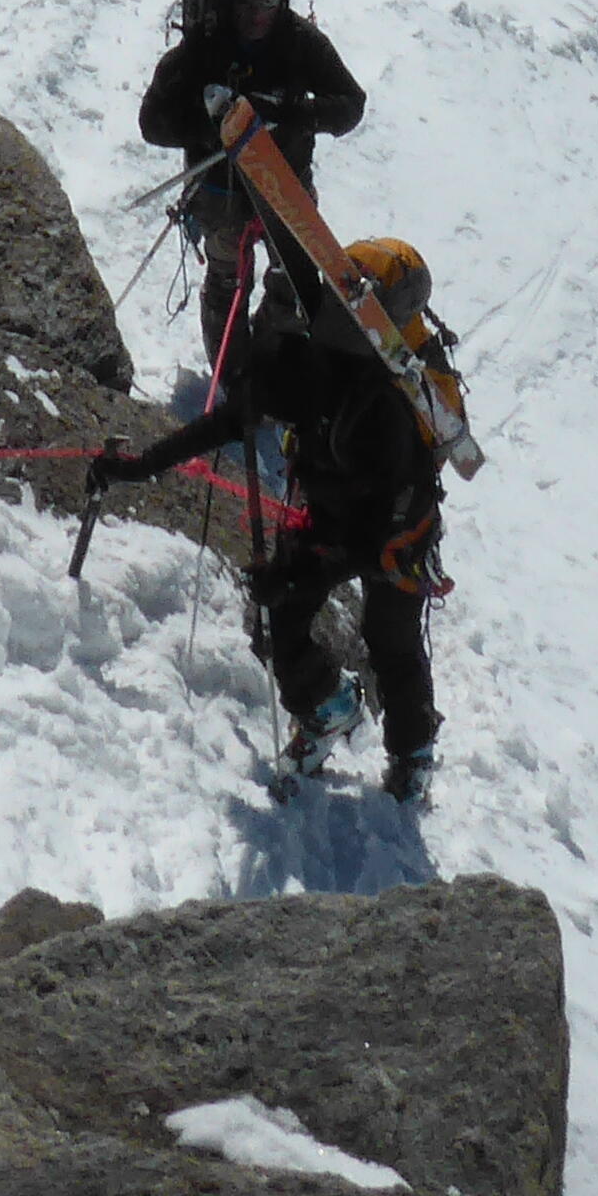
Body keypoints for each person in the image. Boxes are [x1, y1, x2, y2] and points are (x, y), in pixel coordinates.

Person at [92, 235, 454, 800]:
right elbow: (229, 421)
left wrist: (300, 577)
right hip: (337, 512)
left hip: (394, 530)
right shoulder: (314, 363)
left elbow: (370, 535)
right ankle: (328, 708)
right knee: (284, 615)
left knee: (389, 641)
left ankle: (412, 752)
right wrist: (142, 465)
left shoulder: (388, 410)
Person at [134, 0, 367, 388]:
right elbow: (152, 123)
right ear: (227, 2)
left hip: (287, 188)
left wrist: (290, 114)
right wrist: (215, 128)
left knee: (292, 282)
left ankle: (275, 366)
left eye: (269, 4)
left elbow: (350, 104)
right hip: (222, 194)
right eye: (248, 5)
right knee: (227, 284)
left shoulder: (298, 40)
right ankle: (234, 377)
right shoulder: (202, 49)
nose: (260, 16)